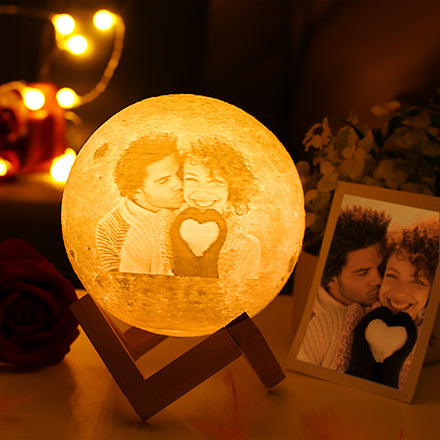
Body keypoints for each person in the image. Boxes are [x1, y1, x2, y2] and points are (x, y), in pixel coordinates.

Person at [341, 217, 440, 388]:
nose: (400, 291)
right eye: (392, 276)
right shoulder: (342, 321)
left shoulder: (431, 349)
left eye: (417, 282)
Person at [296, 205, 391, 368]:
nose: (378, 280)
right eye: (363, 272)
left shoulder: (390, 303)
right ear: (331, 279)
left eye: (380, 267)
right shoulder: (309, 324)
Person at [169, 138, 261, 279]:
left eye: (215, 182)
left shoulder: (247, 246)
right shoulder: (159, 233)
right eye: (192, 179)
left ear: (231, 189)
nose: (202, 191)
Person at [96, 133, 183, 274]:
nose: (179, 185)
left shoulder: (194, 203)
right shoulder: (110, 229)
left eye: (179, 173)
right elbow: (118, 283)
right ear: (136, 191)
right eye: (163, 180)